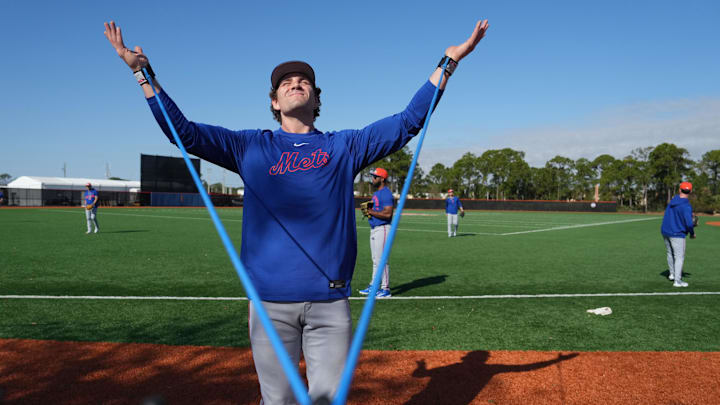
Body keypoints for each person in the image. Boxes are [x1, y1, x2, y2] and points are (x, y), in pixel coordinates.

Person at [104, 18, 489, 404]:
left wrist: (449, 62)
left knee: (327, 401)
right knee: (279, 402)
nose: (294, 84)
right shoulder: (248, 147)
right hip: (269, 304)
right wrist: (142, 74)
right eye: (285, 83)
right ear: (274, 101)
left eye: (303, 81)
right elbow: (182, 132)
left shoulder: (345, 147)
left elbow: (407, 122)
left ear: (317, 99)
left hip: (330, 302)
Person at [358, 168, 393, 298]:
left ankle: (385, 289)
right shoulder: (377, 193)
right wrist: (369, 213)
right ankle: (374, 285)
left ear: (382, 179)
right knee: (375, 260)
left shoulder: (386, 193)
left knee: (382, 259)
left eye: (375, 177)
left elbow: (388, 214)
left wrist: (371, 212)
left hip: (383, 228)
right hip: (374, 228)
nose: (372, 179)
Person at [661, 181, 696, 287]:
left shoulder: (673, 200)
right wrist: (692, 233)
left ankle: (672, 274)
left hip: (665, 231)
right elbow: (689, 223)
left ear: (679, 190)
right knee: (679, 257)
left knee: (670, 253)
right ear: (690, 191)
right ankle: (677, 281)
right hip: (677, 233)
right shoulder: (686, 205)